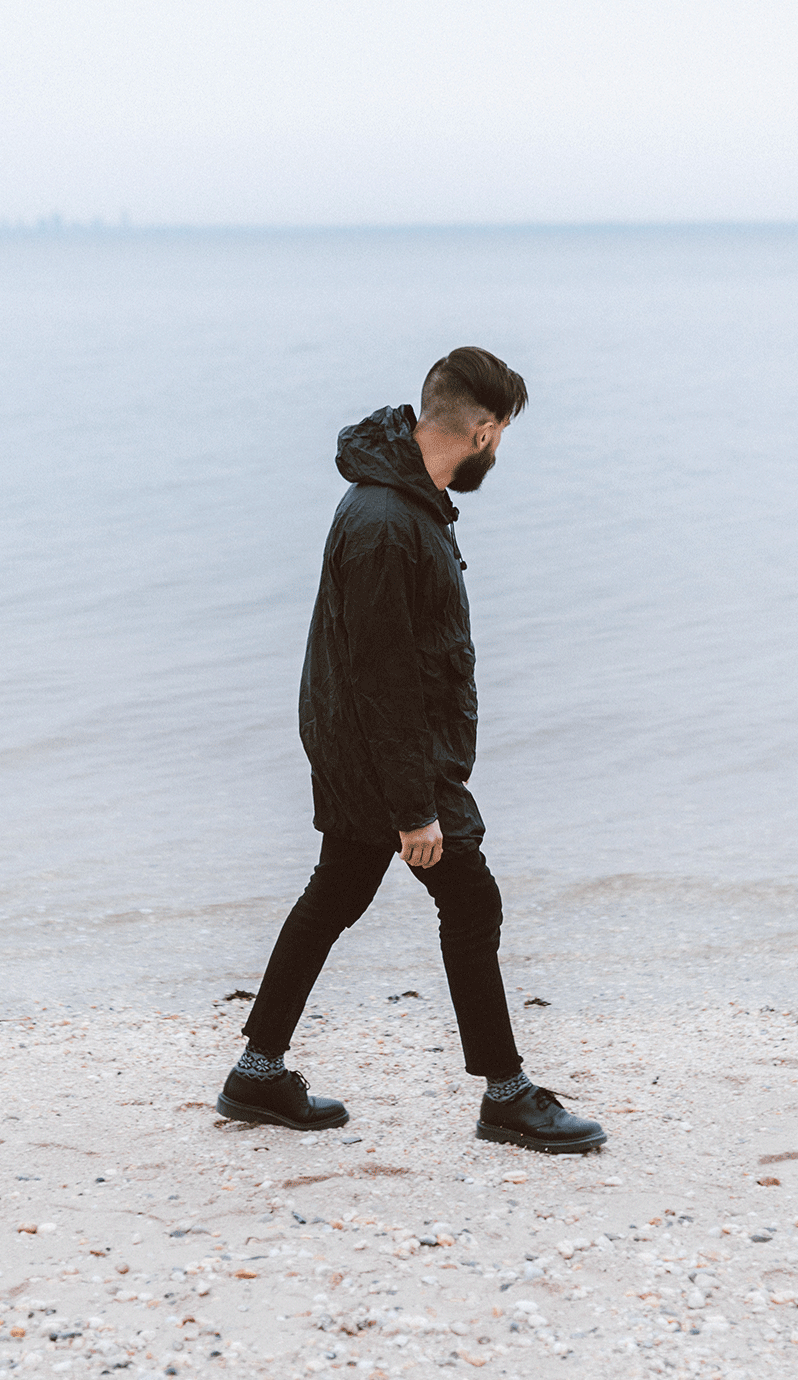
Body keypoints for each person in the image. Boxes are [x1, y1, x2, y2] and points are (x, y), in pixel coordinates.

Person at [214, 346, 606, 1155]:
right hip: (387, 758)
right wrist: (415, 808)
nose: (499, 451)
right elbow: (384, 677)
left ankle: (257, 1071)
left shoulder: (400, 497)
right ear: (485, 430)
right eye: (502, 436)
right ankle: (506, 1095)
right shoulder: (387, 523)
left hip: (366, 747)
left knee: (336, 893)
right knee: (470, 901)